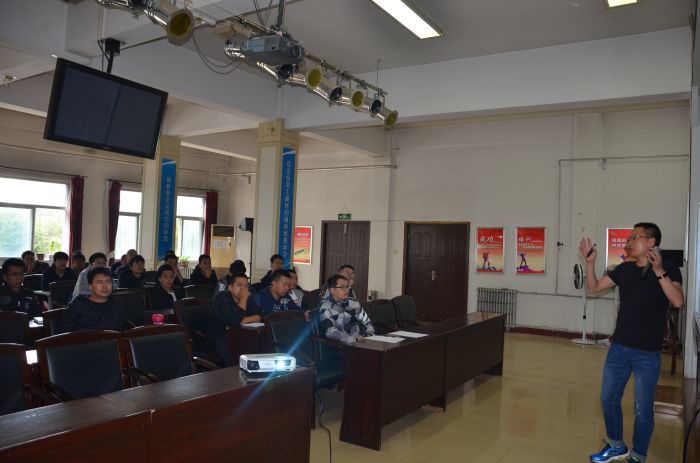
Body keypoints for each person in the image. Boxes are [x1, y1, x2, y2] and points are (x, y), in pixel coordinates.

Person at [582, 223, 683, 463]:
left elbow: (678, 301)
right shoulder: (624, 269)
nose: (628, 241)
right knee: (608, 399)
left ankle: (638, 455)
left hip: (647, 353)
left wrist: (658, 271)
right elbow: (593, 288)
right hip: (619, 348)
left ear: (651, 242)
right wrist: (590, 262)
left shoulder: (669, 268)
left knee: (643, 408)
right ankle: (617, 445)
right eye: (629, 237)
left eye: (635, 237)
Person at [210, 272, 262, 366]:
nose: (243, 289)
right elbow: (235, 320)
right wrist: (243, 299)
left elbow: (260, 315)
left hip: (242, 336)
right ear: (230, 287)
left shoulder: (248, 300)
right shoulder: (221, 298)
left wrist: (244, 320)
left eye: (246, 286)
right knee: (235, 361)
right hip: (223, 339)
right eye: (239, 285)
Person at [59, 266, 124, 333]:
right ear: (90, 286)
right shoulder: (79, 304)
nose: (104, 286)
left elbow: (120, 329)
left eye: (108, 282)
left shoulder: (117, 303)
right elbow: (63, 331)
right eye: (100, 282)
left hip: (111, 339)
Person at [318, 274, 374, 343]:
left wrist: (370, 334)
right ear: (332, 290)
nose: (347, 290)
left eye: (347, 287)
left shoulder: (354, 303)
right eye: (342, 287)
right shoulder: (326, 308)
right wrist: (354, 339)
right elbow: (330, 332)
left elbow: (366, 321)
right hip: (342, 345)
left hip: (361, 341)